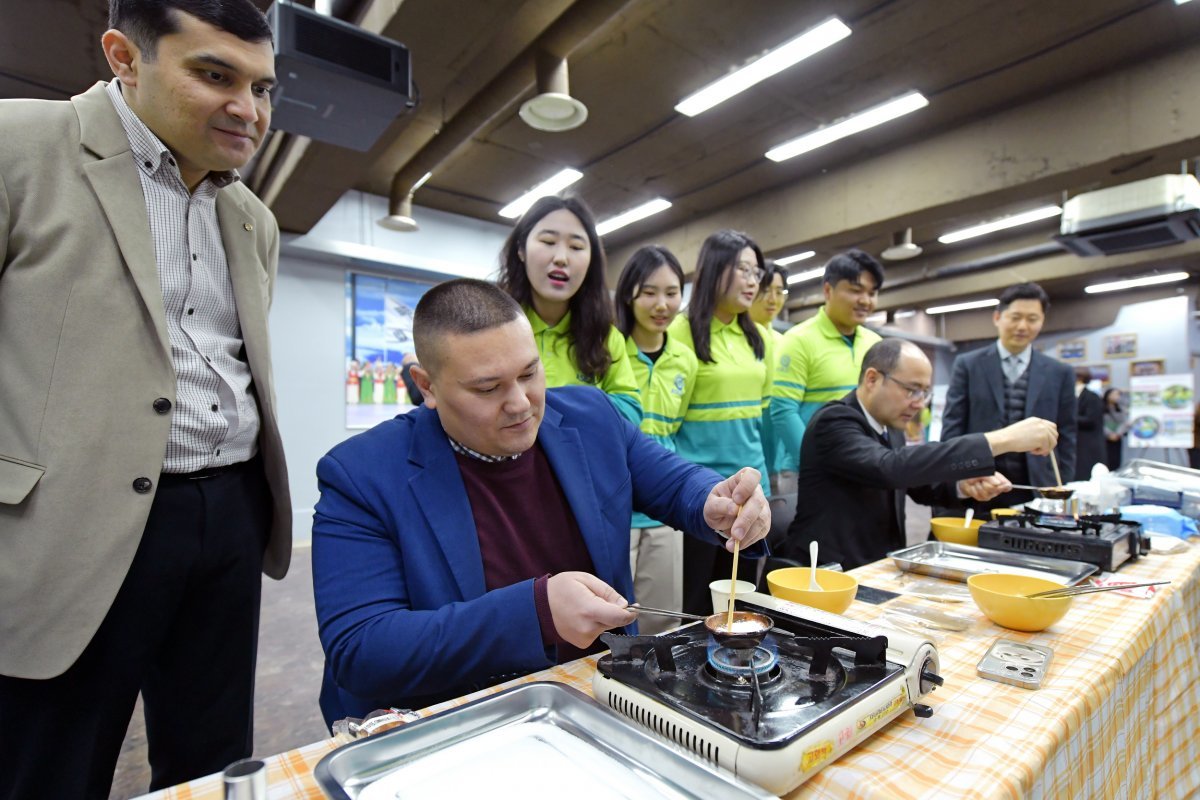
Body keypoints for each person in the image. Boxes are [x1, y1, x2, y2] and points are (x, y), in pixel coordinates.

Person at [0, 2, 292, 797]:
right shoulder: (21, 146)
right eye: (214, 75)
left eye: (263, 87)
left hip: (229, 513)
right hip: (70, 518)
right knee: (51, 762)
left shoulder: (252, 218)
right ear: (125, 56)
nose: (249, 109)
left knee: (210, 757)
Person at [311, 279, 770, 723]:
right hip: (462, 716)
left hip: (597, 694)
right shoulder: (362, 475)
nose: (520, 404)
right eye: (487, 389)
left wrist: (716, 499)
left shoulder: (591, 418)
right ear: (427, 386)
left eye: (529, 373)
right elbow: (362, 649)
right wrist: (535, 612)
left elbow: (675, 483)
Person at [785, 340, 1059, 569]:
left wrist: (962, 486)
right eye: (911, 390)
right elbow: (889, 468)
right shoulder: (833, 421)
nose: (918, 403)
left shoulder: (888, 425)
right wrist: (1002, 439)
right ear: (872, 379)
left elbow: (913, 481)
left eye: (924, 393)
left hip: (878, 564)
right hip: (829, 571)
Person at [668, 229, 773, 615]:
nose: (752, 280)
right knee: (697, 601)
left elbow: (761, 420)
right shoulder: (678, 333)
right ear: (714, 270)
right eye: (742, 269)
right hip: (700, 492)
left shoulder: (761, 338)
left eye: (757, 272)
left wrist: (769, 478)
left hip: (749, 491)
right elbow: (669, 424)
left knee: (742, 600)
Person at [613, 245, 699, 634]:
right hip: (614, 506)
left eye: (672, 292)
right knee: (610, 619)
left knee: (662, 621)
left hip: (663, 510)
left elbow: (675, 425)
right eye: (649, 292)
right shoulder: (609, 351)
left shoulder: (685, 359)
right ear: (628, 294)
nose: (661, 304)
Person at [498, 195, 642, 423]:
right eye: (547, 242)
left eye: (576, 246)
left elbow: (630, 410)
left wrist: (551, 404)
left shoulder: (604, 336)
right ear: (521, 250)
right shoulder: (491, 327)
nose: (561, 258)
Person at [940, 282, 1077, 513]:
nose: (1022, 326)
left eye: (1032, 319)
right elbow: (953, 427)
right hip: (980, 483)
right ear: (997, 318)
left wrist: (1060, 483)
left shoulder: (1059, 372)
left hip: (1034, 487)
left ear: (1042, 321)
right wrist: (958, 477)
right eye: (1015, 317)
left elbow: (1068, 435)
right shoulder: (968, 365)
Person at [770, 250, 884, 493]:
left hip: (860, 467)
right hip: (808, 471)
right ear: (828, 290)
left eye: (872, 293)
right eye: (855, 290)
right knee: (812, 533)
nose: (865, 300)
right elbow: (782, 411)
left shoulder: (874, 343)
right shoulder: (799, 340)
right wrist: (815, 461)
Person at [749, 260, 790, 491]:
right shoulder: (737, 342)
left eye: (779, 291)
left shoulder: (786, 342)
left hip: (777, 441)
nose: (772, 299)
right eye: (765, 291)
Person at [1074, 367, 1106, 481]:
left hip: (1088, 445)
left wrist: (1068, 418)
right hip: (1075, 444)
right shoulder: (1070, 396)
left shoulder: (1092, 397)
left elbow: (1091, 420)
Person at [1103, 388, 1129, 471]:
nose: (1117, 397)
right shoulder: (1101, 408)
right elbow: (1099, 423)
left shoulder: (1120, 408)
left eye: (1118, 395)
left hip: (1117, 437)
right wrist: (1109, 434)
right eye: (1114, 394)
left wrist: (1117, 434)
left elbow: (1124, 423)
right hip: (1105, 438)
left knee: (1116, 460)